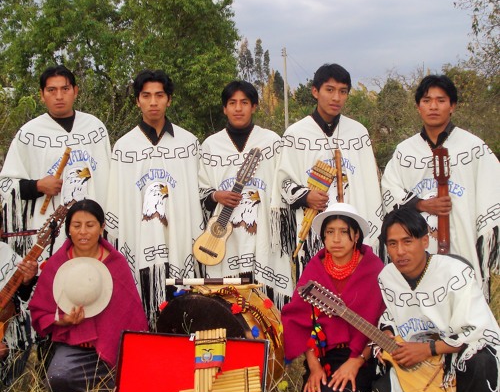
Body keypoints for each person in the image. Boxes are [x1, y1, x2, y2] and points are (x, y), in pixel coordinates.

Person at [376, 206, 499, 392]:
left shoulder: (455, 272)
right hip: (418, 365)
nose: (400, 251)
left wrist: (430, 349)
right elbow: (390, 315)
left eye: (407, 241)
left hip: (456, 356)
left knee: (482, 364)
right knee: (381, 391)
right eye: (392, 244)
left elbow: (478, 332)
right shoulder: (387, 277)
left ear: (425, 241)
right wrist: (388, 333)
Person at [381, 74, 500, 300]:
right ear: (418, 107)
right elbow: (389, 189)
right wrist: (422, 204)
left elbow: (493, 190)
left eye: (441, 100)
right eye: (426, 101)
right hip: (417, 246)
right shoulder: (405, 152)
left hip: (463, 239)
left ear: (452, 106)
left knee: (464, 303)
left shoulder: (474, 148)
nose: (433, 106)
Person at [105, 69, 203, 328]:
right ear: (137, 100)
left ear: (169, 99)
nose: (153, 102)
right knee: (142, 314)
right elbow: (117, 200)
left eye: (159, 95)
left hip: (179, 241)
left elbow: (197, 195)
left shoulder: (188, 144)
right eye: (146, 96)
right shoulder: (124, 147)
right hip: (140, 242)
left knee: (181, 316)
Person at [271, 63, 383, 282]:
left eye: (343, 92)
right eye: (329, 90)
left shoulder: (358, 133)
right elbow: (283, 181)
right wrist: (306, 196)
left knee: (354, 289)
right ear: (315, 91)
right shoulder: (295, 134)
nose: (336, 98)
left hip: (352, 228)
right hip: (313, 230)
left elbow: (369, 183)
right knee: (317, 291)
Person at [28, 199, 147, 392]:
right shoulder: (57, 264)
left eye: (90, 225)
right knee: (58, 379)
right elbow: (40, 312)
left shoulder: (115, 263)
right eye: (76, 226)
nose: (83, 232)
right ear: (68, 230)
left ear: (101, 228)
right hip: (74, 348)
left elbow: (130, 314)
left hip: (112, 346)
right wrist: (63, 321)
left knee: (137, 376)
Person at [282, 203, 385, 392]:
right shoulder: (314, 268)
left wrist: (356, 362)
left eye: (343, 232)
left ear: (356, 235)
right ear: (323, 237)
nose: (336, 239)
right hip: (324, 354)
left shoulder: (373, 269)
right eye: (330, 232)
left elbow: (380, 323)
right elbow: (301, 321)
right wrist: (314, 366)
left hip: (363, 355)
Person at [0, 65, 111, 260]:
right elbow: (5, 185)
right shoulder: (29, 134)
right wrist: (38, 185)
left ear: (75, 91)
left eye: (65, 89)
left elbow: (109, 178)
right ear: (42, 95)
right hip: (49, 232)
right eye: (52, 90)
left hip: (92, 228)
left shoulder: (95, 129)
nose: (59, 96)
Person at [198, 81, 293, 306]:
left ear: (254, 106)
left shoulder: (271, 142)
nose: (238, 108)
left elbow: (284, 183)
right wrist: (216, 196)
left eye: (244, 102)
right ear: (224, 108)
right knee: (229, 302)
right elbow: (200, 189)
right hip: (224, 236)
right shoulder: (211, 145)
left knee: (263, 301)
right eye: (232, 103)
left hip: (263, 233)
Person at [0, 205, 38, 386]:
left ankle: (8, 383)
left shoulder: (7, 255)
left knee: (21, 320)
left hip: (4, 338)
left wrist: (26, 282)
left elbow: (23, 299)